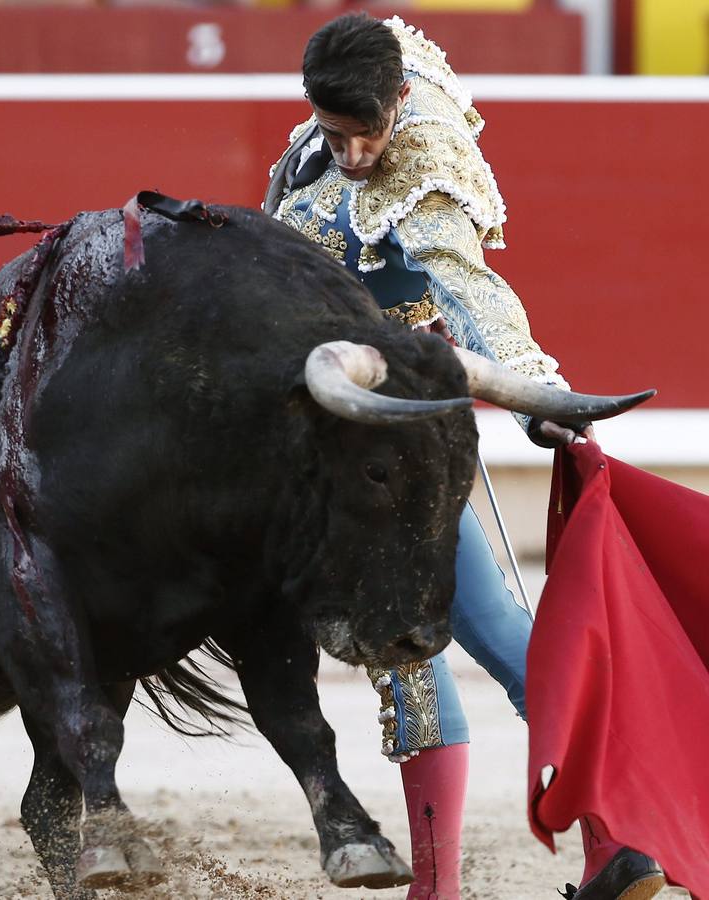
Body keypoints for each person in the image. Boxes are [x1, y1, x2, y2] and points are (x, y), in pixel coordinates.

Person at [263, 13, 665, 900]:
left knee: (418, 648)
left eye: (368, 133)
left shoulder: (427, 173)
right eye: (338, 134)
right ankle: (616, 843)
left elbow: (473, 288)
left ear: (401, 102)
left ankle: (444, 886)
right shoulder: (314, 143)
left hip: (394, 439)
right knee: (491, 636)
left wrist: (535, 393)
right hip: (339, 437)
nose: (356, 152)